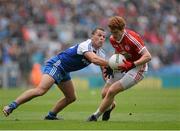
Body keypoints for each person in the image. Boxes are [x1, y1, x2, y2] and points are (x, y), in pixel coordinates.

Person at [3, 27, 109, 120]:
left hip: (65, 70)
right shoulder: (86, 45)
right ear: (92, 36)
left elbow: (104, 70)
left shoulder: (101, 53)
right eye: (99, 35)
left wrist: (109, 84)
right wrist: (110, 63)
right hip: (56, 65)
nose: (101, 38)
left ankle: (51, 115)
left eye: (104, 37)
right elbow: (94, 59)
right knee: (41, 90)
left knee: (71, 97)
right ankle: (11, 106)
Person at [87, 16, 152, 121]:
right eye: (112, 32)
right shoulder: (113, 39)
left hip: (138, 68)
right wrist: (113, 66)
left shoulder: (132, 38)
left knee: (112, 90)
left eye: (116, 32)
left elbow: (148, 56)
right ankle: (110, 107)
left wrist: (132, 65)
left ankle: (95, 116)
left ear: (123, 29)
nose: (114, 35)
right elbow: (119, 53)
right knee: (104, 93)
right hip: (124, 65)